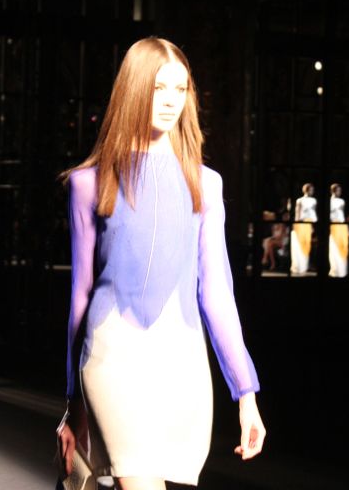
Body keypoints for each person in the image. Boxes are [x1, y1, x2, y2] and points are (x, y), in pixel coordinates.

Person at [56, 37, 266, 490]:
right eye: (158, 88)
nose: (171, 100)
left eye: (180, 88)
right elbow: (81, 293)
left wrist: (245, 393)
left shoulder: (205, 185)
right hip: (112, 357)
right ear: (133, 91)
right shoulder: (89, 184)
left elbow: (216, 293)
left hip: (181, 362)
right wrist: (73, 402)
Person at [290, 183, 317, 275]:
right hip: (301, 224)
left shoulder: (313, 200)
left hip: (308, 224)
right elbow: (297, 212)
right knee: (299, 244)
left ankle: (305, 266)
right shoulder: (300, 200)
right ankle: (299, 266)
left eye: (313, 190)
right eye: (311, 189)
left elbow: (313, 213)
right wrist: (296, 224)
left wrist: (312, 226)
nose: (312, 191)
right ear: (306, 190)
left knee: (306, 244)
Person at [328, 183, 349, 278]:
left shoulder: (342, 201)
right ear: (333, 191)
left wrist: (346, 227)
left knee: (343, 246)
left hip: (341, 225)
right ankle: (335, 269)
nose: (340, 192)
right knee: (334, 247)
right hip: (334, 225)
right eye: (338, 190)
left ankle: (342, 270)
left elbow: (343, 214)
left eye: (340, 190)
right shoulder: (329, 201)